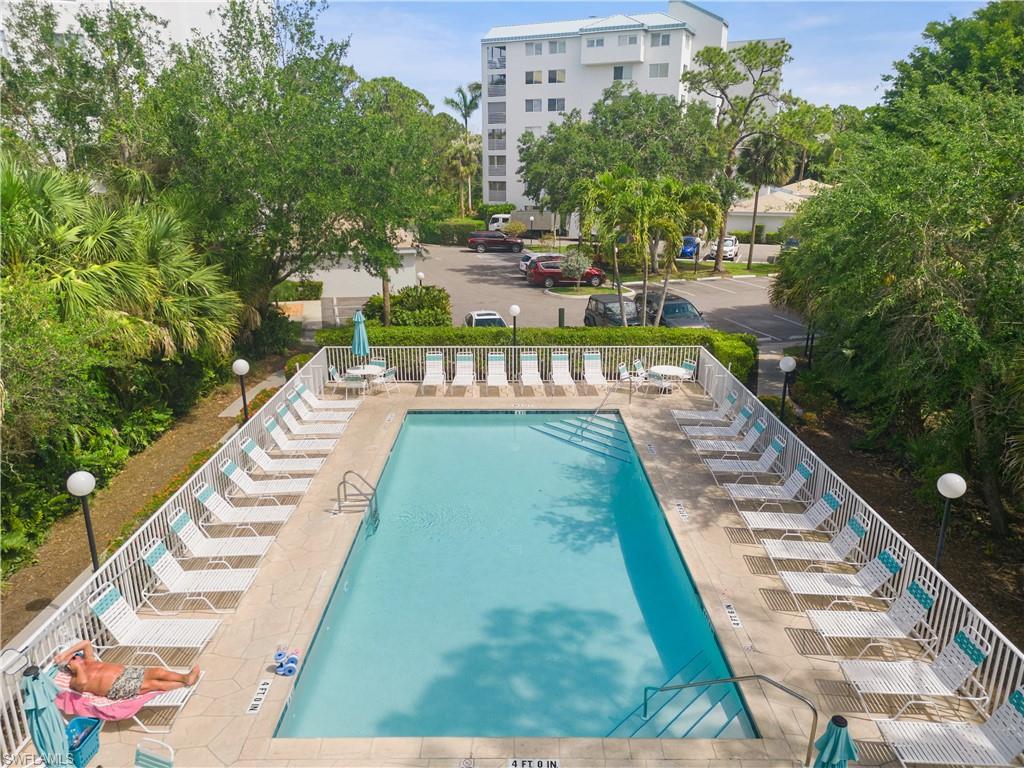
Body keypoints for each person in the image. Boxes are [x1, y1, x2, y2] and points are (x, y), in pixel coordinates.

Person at [53, 641, 199, 700]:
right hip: (116, 687)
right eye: (74, 658)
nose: (77, 657)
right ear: (69, 666)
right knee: (153, 684)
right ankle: (184, 683)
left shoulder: (88, 660)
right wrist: (77, 668)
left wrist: (66, 654)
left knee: (158, 671)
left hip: (126, 672)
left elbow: (86, 643)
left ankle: (186, 678)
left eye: (75, 655)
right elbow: (83, 683)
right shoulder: (75, 681)